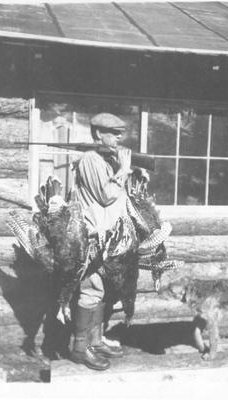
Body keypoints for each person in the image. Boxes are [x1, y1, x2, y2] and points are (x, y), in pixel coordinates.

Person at [70, 113, 133, 370]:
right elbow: (107, 196)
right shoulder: (90, 159)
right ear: (98, 134)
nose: (119, 136)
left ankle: (94, 342)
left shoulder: (104, 160)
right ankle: (79, 348)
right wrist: (124, 170)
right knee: (90, 290)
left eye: (120, 132)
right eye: (113, 132)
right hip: (91, 237)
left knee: (100, 291)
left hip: (107, 239)